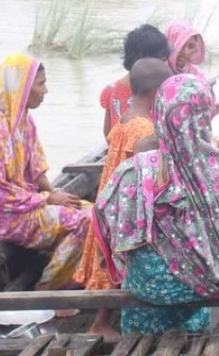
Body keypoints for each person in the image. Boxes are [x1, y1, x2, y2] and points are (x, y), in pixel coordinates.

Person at [94, 74, 219, 335]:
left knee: (148, 275)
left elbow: (106, 218)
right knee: (195, 268)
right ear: (206, 113)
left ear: (160, 113)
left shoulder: (135, 169)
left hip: (150, 286)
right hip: (207, 280)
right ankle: (195, 329)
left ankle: (138, 337)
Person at [0, 54, 91, 294]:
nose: (45, 90)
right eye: (40, 84)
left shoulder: (23, 120)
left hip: (21, 205)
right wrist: (46, 199)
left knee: (94, 211)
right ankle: (48, 289)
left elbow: (35, 168)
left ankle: (70, 276)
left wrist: (53, 192)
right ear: (22, 87)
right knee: (83, 222)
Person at [75, 58, 173, 337]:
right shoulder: (144, 129)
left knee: (111, 260)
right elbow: (143, 172)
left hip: (108, 198)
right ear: (157, 94)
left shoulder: (126, 118)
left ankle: (104, 317)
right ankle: (101, 322)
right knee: (117, 263)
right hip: (123, 204)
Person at [100, 24, 170, 137]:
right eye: (161, 61)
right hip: (145, 151)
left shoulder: (110, 89)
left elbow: (108, 133)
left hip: (119, 150)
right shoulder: (154, 93)